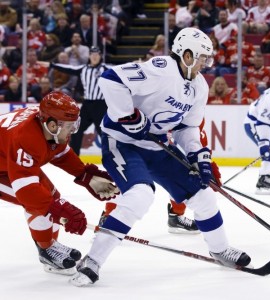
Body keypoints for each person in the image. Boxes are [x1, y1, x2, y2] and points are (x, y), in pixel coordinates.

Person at [70, 27, 251, 287]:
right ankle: (93, 260)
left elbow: (187, 128)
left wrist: (198, 156)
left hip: (156, 146)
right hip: (122, 143)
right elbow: (110, 79)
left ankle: (220, 249)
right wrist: (128, 116)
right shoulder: (160, 69)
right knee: (140, 195)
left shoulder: (199, 85)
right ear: (186, 55)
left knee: (203, 195)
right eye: (202, 57)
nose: (206, 63)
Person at [0, 91, 119, 275]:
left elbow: (60, 153)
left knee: (51, 200)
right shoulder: (26, 138)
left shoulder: (48, 126)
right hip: (4, 167)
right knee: (43, 202)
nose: (73, 131)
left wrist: (85, 175)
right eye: (70, 126)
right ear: (52, 125)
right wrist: (60, 210)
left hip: (8, 161)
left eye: (74, 125)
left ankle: (49, 245)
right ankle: (47, 251)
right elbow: (27, 191)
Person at [50, 46, 109, 155]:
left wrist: (135, 65)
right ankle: (74, 156)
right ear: (89, 56)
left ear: (100, 56)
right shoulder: (83, 69)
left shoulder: (105, 69)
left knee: (104, 133)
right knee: (76, 130)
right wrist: (52, 65)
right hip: (87, 105)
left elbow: (120, 69)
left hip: (100, 106)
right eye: (93, 54)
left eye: (97, 55)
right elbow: (68, 68)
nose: (95, 57)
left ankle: (111, 158)